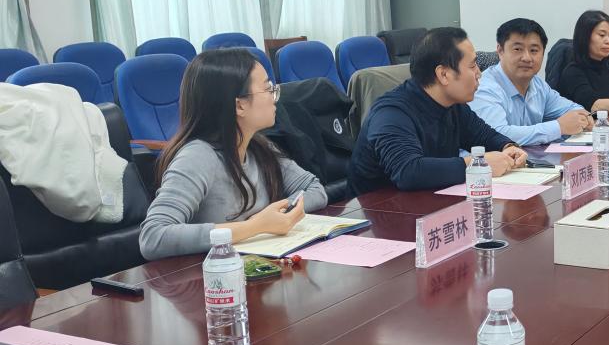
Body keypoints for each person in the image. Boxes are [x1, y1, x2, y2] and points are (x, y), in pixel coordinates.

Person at [140, 48, 327, 259]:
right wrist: (255, 226)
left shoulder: (258, 146)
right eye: (268, 89)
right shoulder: (197, 157)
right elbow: (153, 237)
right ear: (239, 105)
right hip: (209, 275)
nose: (275, 98)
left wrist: (278, 217)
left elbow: (314, 189)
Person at [349, 27, 527, 194]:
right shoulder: (391, 113)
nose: (479, 73)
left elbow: (484, 136)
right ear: (443, 75)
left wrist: (508, 147)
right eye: (472, 66)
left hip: (429, 203)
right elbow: (408, 172)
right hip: (377, 211)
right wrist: (476, 164)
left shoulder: (453, 104)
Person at [472, 18, 592, 145]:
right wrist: (558, 127)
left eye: (534, 50)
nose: (527, 58)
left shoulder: (538, 85)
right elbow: (496, 135)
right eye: (518, 49)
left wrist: (583, 119)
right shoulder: (483, 88)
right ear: (500, 51)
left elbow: (573, 109)